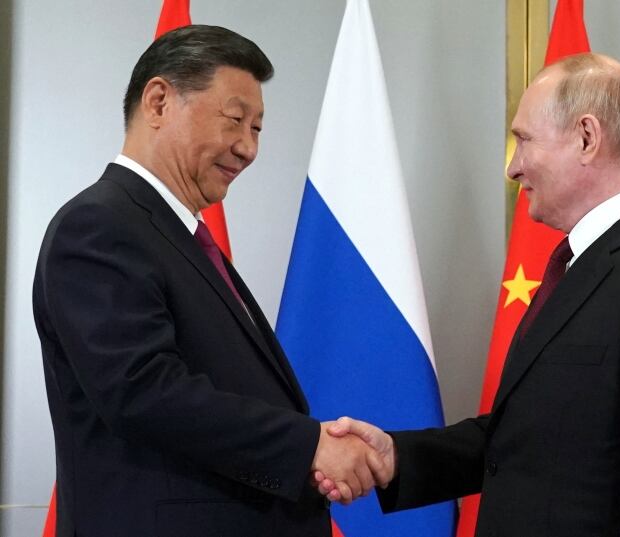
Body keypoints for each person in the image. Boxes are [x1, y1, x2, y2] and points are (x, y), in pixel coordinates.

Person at [317, 53, 620, 537]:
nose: (513, 168)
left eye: (523, 140)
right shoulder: (581, 264)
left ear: (587, 137)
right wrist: (397, 457)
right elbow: (527, 440)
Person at [33, 25, 390, 537]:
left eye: (258, 129)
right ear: (158, 103)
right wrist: (307, 445)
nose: (247, 148)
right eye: (235, 120)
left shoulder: (176, 234)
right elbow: (143, 392)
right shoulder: (99, 225)